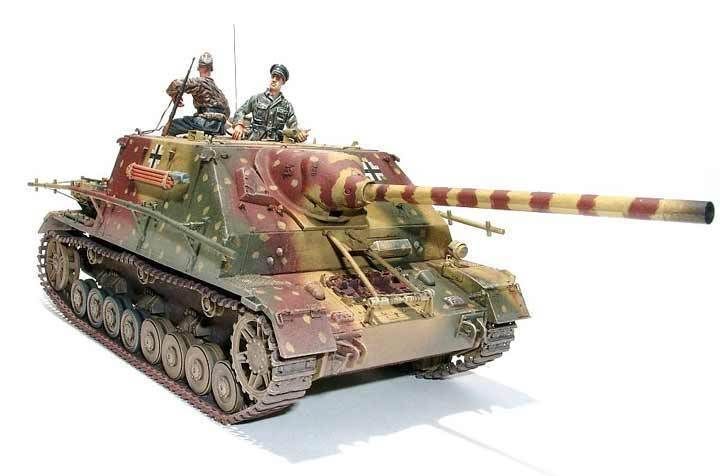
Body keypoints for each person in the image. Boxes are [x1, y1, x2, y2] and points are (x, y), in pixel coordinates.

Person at [231, 64, 307, 142]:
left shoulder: (286, 106)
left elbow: (294, 128)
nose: (274, 80)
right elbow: (240, 111)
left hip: (276, 144)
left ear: (283, 82)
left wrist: (300, 135)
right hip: (255, 142)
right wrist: (238, 125)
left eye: (278, 78)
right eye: (273, 77)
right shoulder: (257, 99)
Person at [165, 52, 231, 136]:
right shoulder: (217, 90)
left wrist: (173, 96)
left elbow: (176, 84)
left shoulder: (199, 82)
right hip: (219, 126)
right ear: (211, 68)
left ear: (198, 68)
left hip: (204, 123)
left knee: (171, 126)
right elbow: (227, 112)